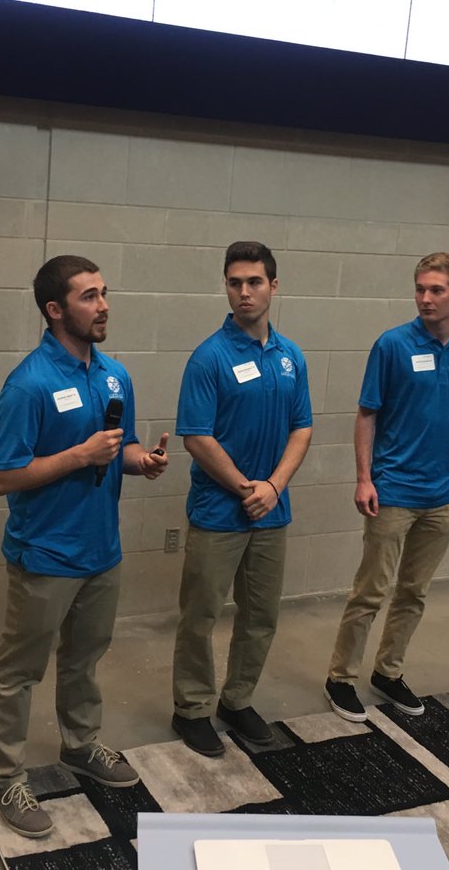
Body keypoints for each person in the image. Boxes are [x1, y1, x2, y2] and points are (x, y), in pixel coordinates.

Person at [0, 255, 169, 838]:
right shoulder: (29, 384)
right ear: (55, 309)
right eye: (89, 296)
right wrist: (78, 457)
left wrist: (145, 461)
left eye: (105, 293)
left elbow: (125, 447)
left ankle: (80, 745)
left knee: (85, 660)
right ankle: (4, 774)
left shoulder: (115, 375)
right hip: (45, 554)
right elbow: (3, 476)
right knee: (19, 672)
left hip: (100, 552)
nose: (104, 305)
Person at [324, 252, 449, 722]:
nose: (425, 298)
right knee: (370, 592)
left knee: (414, 592)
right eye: (420, 289)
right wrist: (364, 478)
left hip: (445, 497)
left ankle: (388, 672)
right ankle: (340, 678)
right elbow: (367, 413)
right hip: (393, 491)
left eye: (436, 290)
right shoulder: (392, 346)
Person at [171, 241, 313, 757]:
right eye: (235, 283)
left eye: (254, 282)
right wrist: (244, 487)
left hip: (272, 511)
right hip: (218, 512)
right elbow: (197, 436)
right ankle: (191, 708)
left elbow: (302, 428)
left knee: (260, 616)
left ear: (273, 286)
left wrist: (272, 487)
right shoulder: (209, 357)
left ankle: (237, 700)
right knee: (201, 615)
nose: (244, 292)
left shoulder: (290, 356)